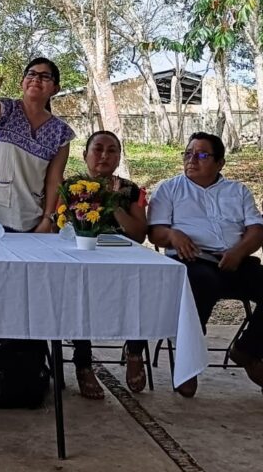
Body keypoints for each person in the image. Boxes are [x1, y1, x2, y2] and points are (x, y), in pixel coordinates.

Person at [148, 132, 263, 397]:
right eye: (188, 153)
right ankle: (188, 363)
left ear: (220, 163)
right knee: (203, 282)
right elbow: (155, 232)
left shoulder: (237, 191)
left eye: (202, 155)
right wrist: (172, 235)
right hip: (192, 261)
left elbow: (256, 229)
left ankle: (248, 351)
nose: (192, 159)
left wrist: (239, 252)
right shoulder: (169, 188)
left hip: (235, 260)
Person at [64, 131, 149, 400]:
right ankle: (83, 362)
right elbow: (59, 226)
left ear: (119, 157)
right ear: (85, 154)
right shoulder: (69, 188)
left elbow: (138, 234)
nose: (104, 155)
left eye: (111, 150)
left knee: (143, 286)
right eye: (97, 149)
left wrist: (113, 204)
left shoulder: (132, 190)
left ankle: (135, 351)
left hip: (122, 259)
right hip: (80, 259)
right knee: (78, 291)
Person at [0, 58, 74, 233]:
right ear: (21, 82)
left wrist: (48, 219)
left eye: (45, 76)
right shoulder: (3, 108)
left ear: (55, 89)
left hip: (27, 218)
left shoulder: (61, 132)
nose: (36, 79)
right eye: (31, 74)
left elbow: (54, 180)